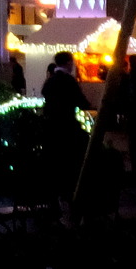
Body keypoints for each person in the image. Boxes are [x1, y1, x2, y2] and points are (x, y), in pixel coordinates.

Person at [40, 50, 91, 214]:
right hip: (67, 127)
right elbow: (81, 101)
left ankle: (53, 198)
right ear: (68, 63)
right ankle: (70, 196)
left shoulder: (50, 81)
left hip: (51, 128)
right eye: (72, 62)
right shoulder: (69, 81)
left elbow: (45, 96)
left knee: (54, 163)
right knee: (70, 162)